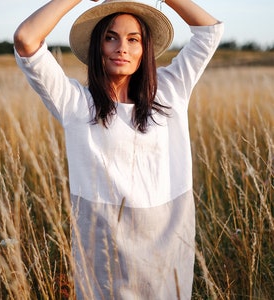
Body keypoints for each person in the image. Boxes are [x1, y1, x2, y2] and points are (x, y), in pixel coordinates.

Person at [14, 0, 223, 298]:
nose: (121, 47)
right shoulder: (76, 104)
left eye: (133, 39)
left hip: (168, 248)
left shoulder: (170, 90)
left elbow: (209, 32)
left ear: (144, 49)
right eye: (110, 37)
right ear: (97, 47)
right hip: (104, 253)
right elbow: (26, 39)